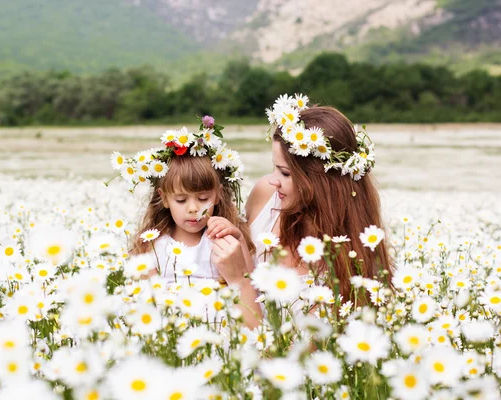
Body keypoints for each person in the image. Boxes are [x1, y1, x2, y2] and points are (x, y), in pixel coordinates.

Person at [210, 95, 393, 303]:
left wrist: (238, 280)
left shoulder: (350, 253)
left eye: (285, 173)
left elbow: (281, 332)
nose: (274, 181)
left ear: (321, 182)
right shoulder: (265, 194)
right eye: (274, 168)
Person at [119, 117, 262, 327]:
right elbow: (143, 298)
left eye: (203, 198)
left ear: (217, 195)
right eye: (181, 200)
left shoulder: (222, 238)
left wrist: (238, 238)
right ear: (164, 198)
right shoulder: (153, 245)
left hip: (221, 327)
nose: (193, 208)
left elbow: (248, 284)